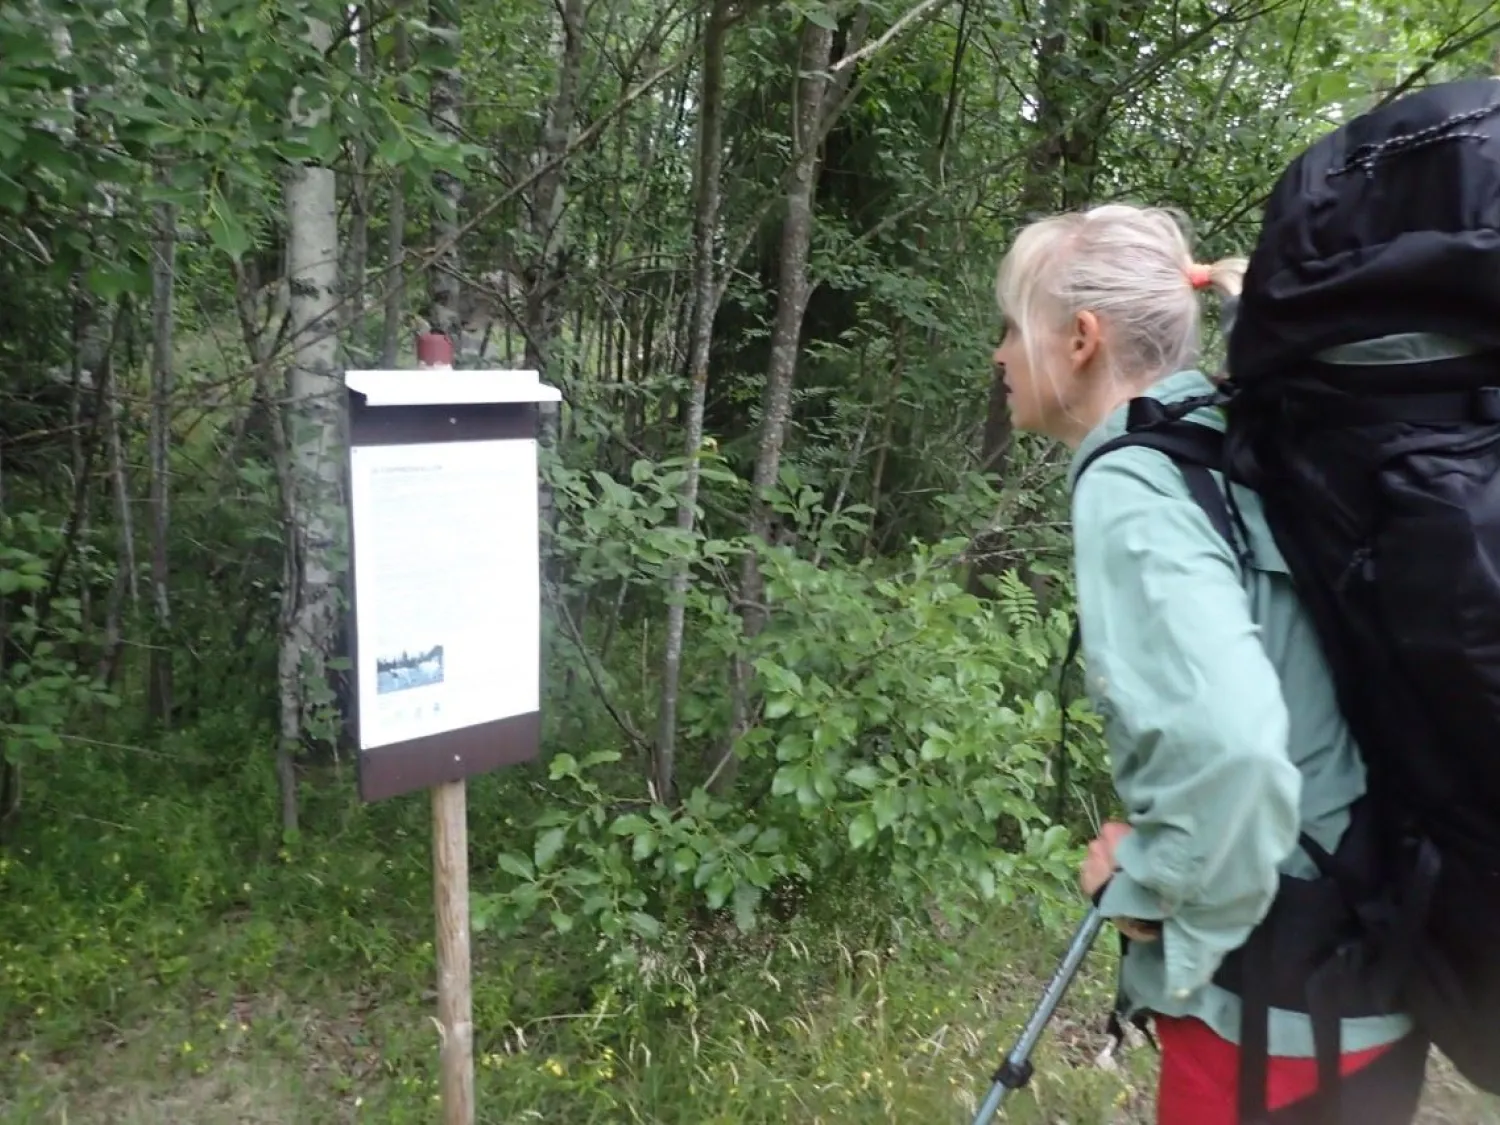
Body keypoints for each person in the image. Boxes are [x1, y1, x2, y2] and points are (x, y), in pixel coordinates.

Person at [990, 203, 1429, 1124]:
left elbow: (1231, 749)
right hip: (1371, 953)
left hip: (1273, 1014)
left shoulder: (1135, 483)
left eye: (1011, 328)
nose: (999, 354)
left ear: (1080, 339)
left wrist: (1156, 887)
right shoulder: (1231, 434)